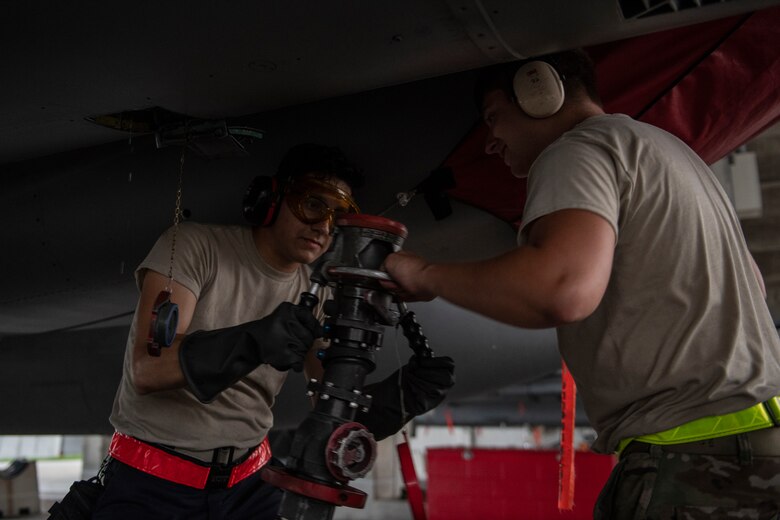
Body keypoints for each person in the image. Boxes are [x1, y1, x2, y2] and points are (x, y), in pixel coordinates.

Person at [383, 50, 780, 517]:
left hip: (696, 463)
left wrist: (426, 275)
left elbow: (561, 288)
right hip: (754, 451)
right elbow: (752, 281)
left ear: (538, 92)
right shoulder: (667, 151)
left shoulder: (575, 150)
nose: (491, 142)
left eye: (494, 117)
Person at [66, 143, 455, 520]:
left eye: (336, 216)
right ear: (271, 198)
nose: (322, 226)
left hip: (250, 486)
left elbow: (326, 404)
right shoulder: (193, 247)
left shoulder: (314, 288)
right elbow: (148, 371)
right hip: (153, 481)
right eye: (313, 203)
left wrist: (395, 402)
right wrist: (254, 340)